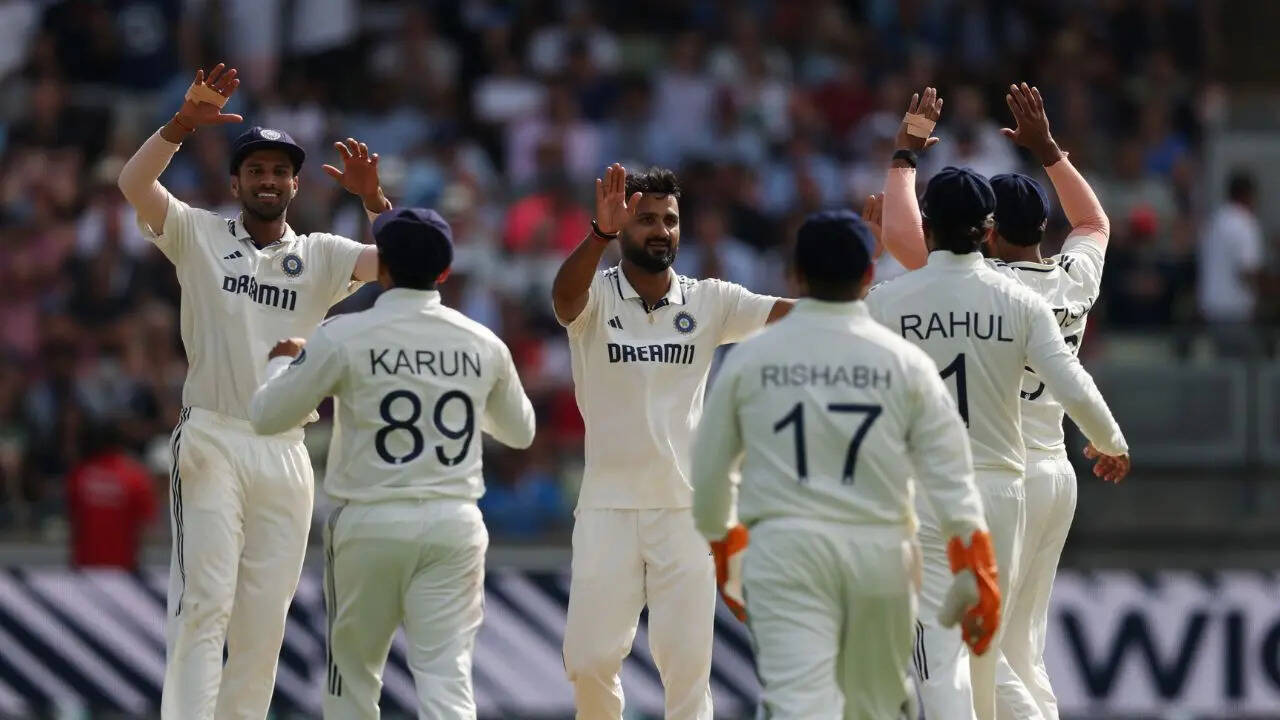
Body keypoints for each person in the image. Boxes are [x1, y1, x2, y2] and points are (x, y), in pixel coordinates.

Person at [115, 62, 393, 719]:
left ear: (295, 184)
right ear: (235, 182)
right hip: (212, 435)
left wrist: (375, 201)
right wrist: (181, 125)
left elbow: (410, 264)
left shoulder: (322, 254)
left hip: (286, 450)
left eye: (280, 171)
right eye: (256, 170)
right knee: (205, 603)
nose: (268, 179)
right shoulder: (198, 234)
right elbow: (133, 183)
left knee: (264, 624)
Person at [866, 86, 1131, 720]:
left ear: (989, 232)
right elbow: (1093, 225)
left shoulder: (990, 286)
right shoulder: (1068, 280)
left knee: (976, 647)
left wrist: (903, 155)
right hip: (1051, 474)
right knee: (1021, 645)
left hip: (986, 468)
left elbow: (908, 239)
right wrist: (1049, 151)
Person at [690, 210, 1000, 719]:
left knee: (795, 704)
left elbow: (708, 475)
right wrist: (973, 556)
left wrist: (727, 547)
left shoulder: (750, 358)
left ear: (795, 275)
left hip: (785, 551)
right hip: (879, 552)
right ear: (868, 274)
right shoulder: (905, 362)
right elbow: (950, 472)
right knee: (875, 707)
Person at [248, 208, 535, 719]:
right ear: (445, 272)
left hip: (370, 521)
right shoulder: (482, 341)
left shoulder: (344, 334)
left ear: (381, 267)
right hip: (454, 522)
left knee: (352, 677)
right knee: (447, 680)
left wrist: (281, 363)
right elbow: (521, 432)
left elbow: (268, 417)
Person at [551, 164, 792, 719]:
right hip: (607, 508)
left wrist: (854, 291)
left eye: (670, 220)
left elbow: (792, 316)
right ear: (622, 227)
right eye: (647, 220)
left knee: (686, 671)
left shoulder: (710, 300)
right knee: (588, 661)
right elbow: (563, 301)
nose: (661, 230)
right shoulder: (595, 296)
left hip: (685, 511)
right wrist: (599, 235)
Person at [67, 420, 158, 571]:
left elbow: (73, 519)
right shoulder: (136, 478)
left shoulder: (79, 475)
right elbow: (147, 529)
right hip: (123, 571)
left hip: (85, 570)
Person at [1198, 169, 1265, 355]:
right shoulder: (1244, 223)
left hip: (1211, 309)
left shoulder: (1214, 221)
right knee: (1252, 364)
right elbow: (1248, 271)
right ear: (1248, 195)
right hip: (1235, 312)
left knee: (1224, 365)